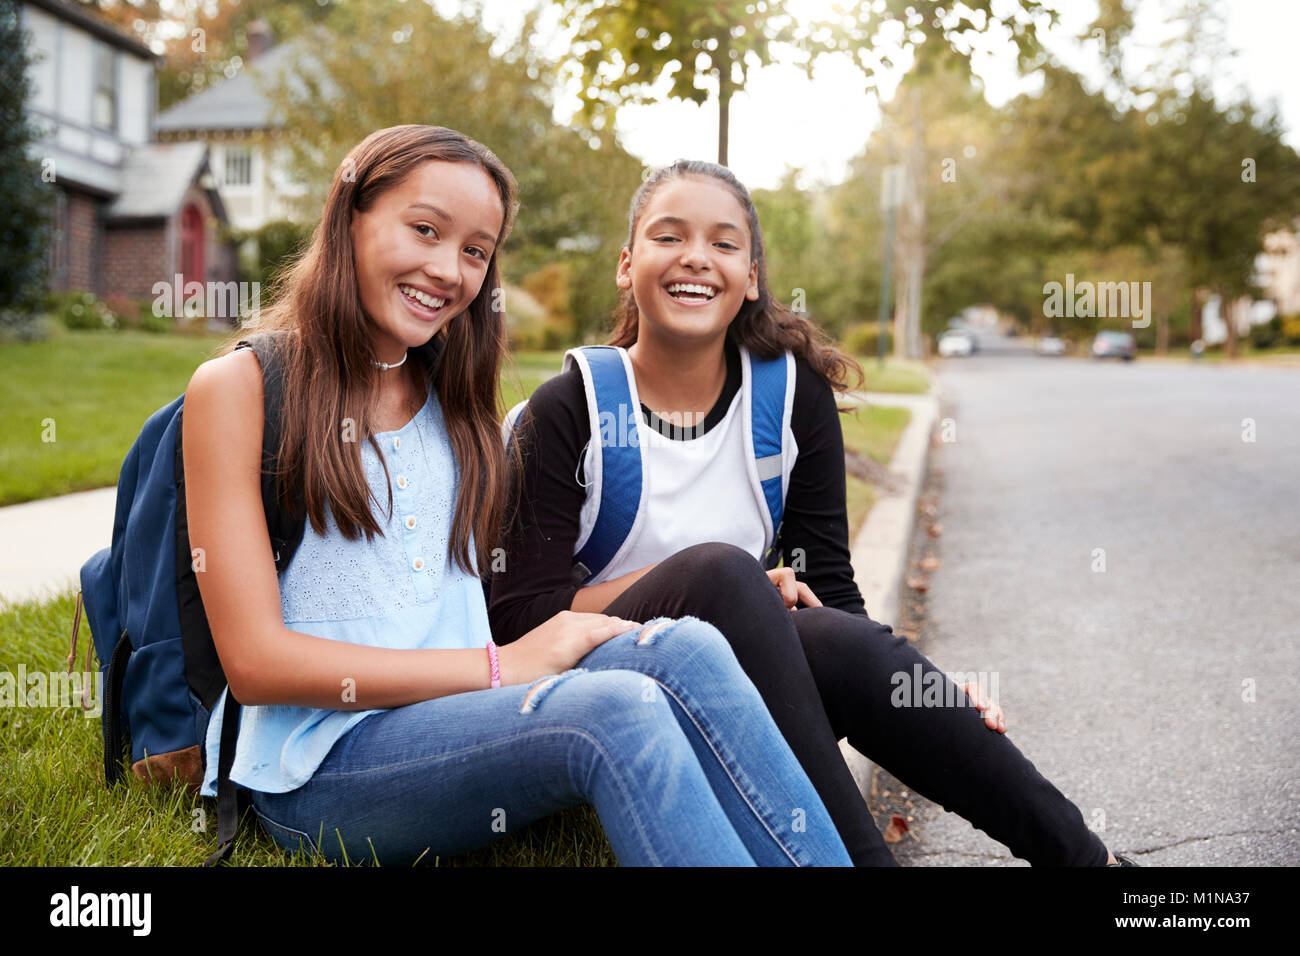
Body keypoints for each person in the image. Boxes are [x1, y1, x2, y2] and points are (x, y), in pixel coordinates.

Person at [181, 127, 852, 867]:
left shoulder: (454, 398)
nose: (447, 269)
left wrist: (514, 667)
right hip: (319, 769)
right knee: (617, 711)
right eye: (426, 230)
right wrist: (502, 668)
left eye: (475, 250)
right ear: (351, 218)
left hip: (469, 717)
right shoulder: (240, 389)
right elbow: (255, 662)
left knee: (686, 643)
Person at [489, 159, 1135, 867]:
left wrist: (919, 692)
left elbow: (827, 585)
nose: (696, 258)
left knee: (841, 643)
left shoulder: (789, 396)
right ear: (626, 263)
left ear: (753, 276)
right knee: (724, 577)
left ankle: (1094, 864)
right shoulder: (569, 408)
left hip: (742, 688)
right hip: (598, 698)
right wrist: (698, 593)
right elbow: (521, 618)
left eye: (724, 243)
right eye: (668, 237)